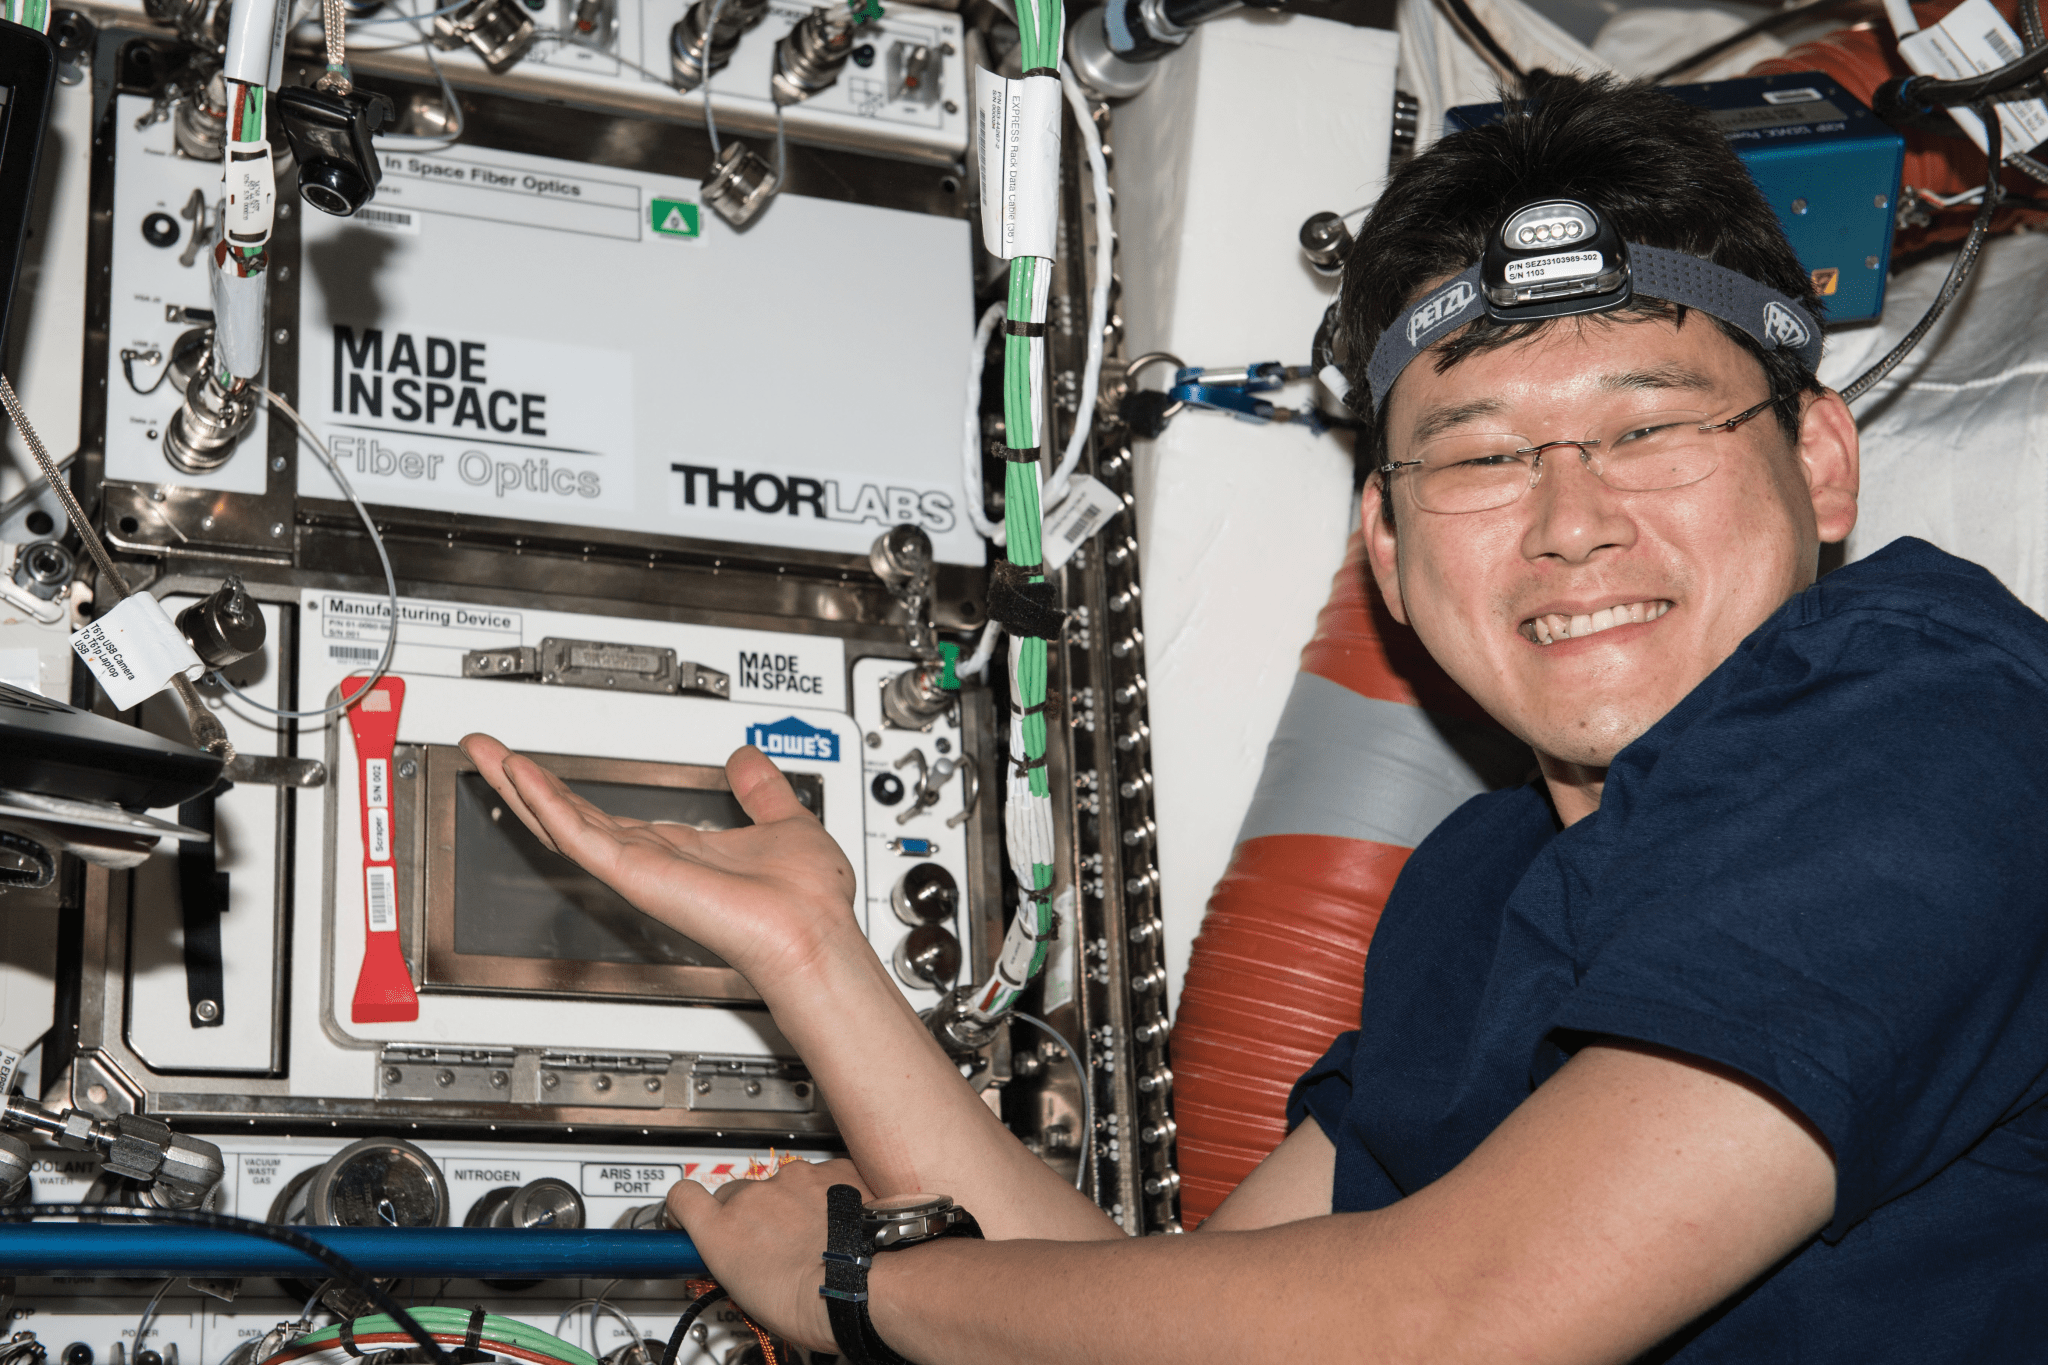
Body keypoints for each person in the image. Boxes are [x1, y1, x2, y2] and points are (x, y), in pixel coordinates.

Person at [460, 74, 2048, 1363]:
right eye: (1483, 456)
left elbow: (1453, 1323)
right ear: (1390, 554)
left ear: (1822, 464)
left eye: (1652, 426)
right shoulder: (1478, 882)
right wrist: (817, 963)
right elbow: (1177, 1311)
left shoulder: (1937, 729)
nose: (1573, 521)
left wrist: (864, 1295)